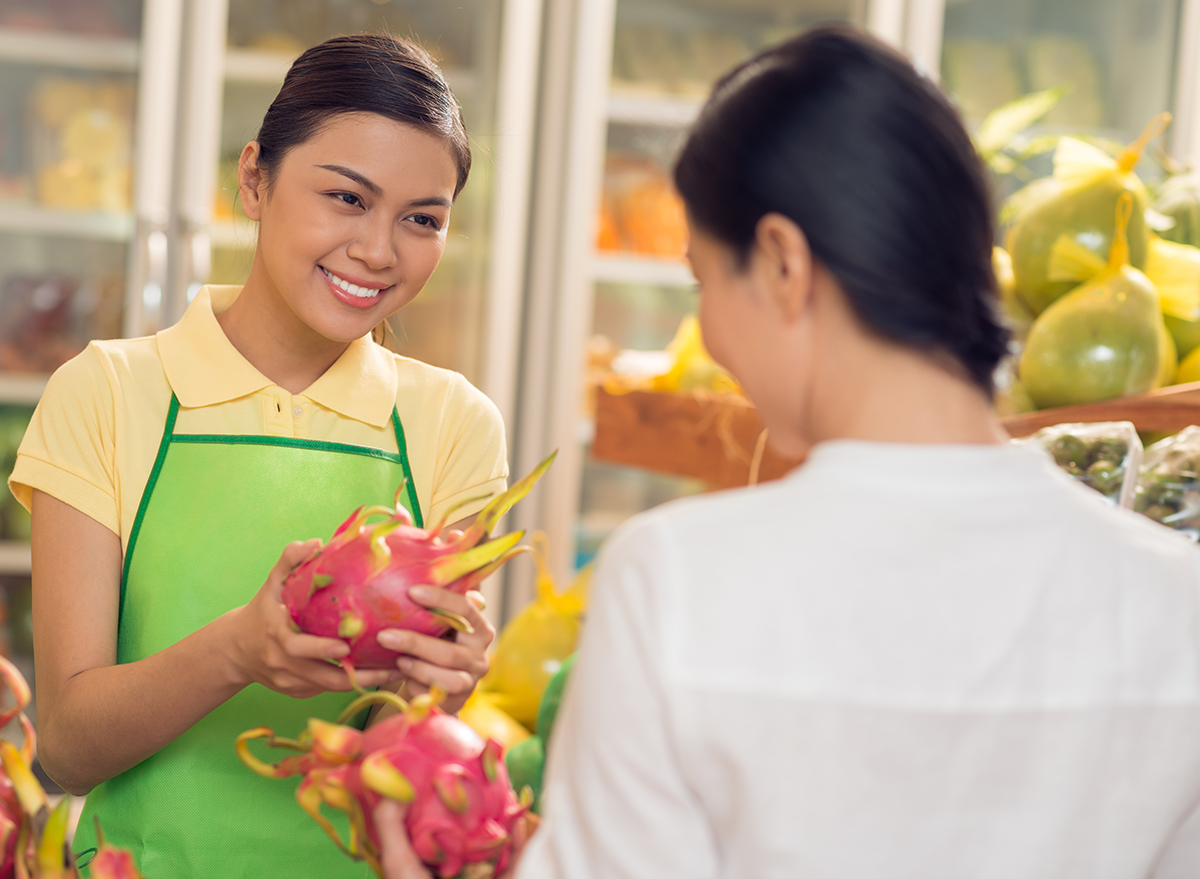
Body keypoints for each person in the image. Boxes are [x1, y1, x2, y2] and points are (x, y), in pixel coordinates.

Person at [378, 24, 1200, 879]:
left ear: (781, 264)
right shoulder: (1173, 597)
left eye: (707, 283)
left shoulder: (679, 582)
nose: (715, 340)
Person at [7, 34, 505, 878]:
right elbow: (65, 748)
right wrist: (239, 650)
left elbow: (394, 746)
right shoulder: (107, 392)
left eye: (422, 218)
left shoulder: (454, 423)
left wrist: (443, 693)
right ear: (253, 180)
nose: (381, 250)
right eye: (348, 197)